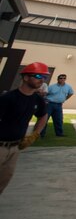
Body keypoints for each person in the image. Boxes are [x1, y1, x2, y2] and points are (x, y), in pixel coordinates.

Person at [0, 62, 49, 195]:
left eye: (44, 77)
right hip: (1, 146)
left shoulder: (37, 100)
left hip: (16, 147)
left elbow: (43, 116)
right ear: (26, 78)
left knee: (4, 180)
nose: (42, 80)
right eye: (38, 76)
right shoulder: (8, 98)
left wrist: (35, 134)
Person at [41, 73, 75, 138]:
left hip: (59, 105)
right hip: (50, 104)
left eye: (64, 78)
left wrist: (64, 99)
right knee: (45, 119)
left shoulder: (68, 87)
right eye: (61, 78)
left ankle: (59, 133)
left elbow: (71, 93)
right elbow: (45, 94)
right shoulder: (52, 86)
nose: (62, 79)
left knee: (58, 119)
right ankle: (41, 134)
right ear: (58, 79)